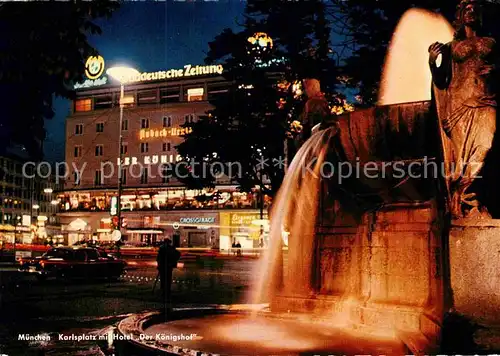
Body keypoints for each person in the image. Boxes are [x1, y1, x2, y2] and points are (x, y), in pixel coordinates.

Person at [429, 0, 497, 218]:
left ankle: (464, 191)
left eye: (474, 8)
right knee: (461, 158)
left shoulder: (492, 42)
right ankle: (469, 203)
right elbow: (441, 80)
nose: (471, 12)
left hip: (485, 100)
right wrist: (433, 62)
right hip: (458, 104)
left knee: (486, 144)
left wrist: (496, 71)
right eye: (466, 9)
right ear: (459, 16)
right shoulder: (451, 47)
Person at [156, 238, 181, 312]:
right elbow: (178, 254)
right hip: (168, 266)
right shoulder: (171, 248)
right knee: (167, 278)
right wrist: (173, 262)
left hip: (164, 266)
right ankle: (167, 291)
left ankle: (164, 292)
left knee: (164, 279)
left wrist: (159, 265)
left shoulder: (162, 248)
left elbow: (158, 258)